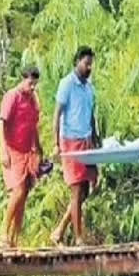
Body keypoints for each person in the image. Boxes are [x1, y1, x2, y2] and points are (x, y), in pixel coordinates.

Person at [51, 46, 98, 246]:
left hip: (87, 141)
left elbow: (91, 117)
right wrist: (56, 144)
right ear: (78, 61)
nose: (89, 68)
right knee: (77, 189)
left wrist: (96, 141)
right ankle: (79, 239)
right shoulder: (66, 84)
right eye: (86, 63)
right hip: (70, 142)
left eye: (91, 64)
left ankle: (59, 231)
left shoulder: (89, 89)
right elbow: (57, 115)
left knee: (88, 189)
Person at [0, 66, 43, 249]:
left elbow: (33, 127)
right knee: (17, 191)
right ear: (23, 79)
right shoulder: (12, 96)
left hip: (27, 151)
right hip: (12, 149)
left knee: (24, 194)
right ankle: (3, 232)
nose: (32, 87)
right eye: (30, 83)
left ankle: (14, 238)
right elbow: (1, 122)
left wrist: (39, 149)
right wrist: (3, 148)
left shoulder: (32, 100)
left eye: (35, 84)